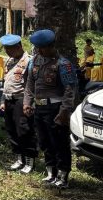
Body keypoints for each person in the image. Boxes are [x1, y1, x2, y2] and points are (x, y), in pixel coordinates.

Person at [23, 29, 77, 189]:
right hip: (39, 108)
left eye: (43, 48)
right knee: (44, 141)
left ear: (52, 46)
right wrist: (27, 102)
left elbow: (69, 90)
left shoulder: (63, 64)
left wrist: (64, 111)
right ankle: (50, 172)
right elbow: (29, 84)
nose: (39, 51)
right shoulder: (34, 61)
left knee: (59, 142)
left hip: (56, 108)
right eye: (37, 48)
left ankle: (62, 175)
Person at [0, 34, 36, 174]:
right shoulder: (9, 61)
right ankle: (19, 159)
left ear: (19, 46)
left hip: (21, 100)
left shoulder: (29, 61)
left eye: (10, 49)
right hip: (9, 100)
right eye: (6, 49)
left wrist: (28, 103)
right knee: (11, 130)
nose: (7, 51)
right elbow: (6, 83)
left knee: (24, 130)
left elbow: (31, 86)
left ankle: (29, 161)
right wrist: (3, 101)